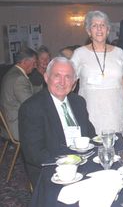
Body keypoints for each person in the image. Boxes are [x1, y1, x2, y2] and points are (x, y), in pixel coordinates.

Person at [18, 57, 96, 187]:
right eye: (57, 76)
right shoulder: (32, 108)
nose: (62, 82)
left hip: (83, 163)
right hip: (52, 170)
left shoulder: (78, 102)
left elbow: (91, 135)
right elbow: (34, 154)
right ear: (46, 77)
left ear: (74, 83)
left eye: (67, 77)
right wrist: (69, 163)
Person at [71, 11, 123, 134]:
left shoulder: (119, 52)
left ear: (108, 30)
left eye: (103, 25)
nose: (99, 29)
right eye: (94, 25)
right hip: (91, 113)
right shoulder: (79, 53)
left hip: (116, 112)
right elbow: (69, 82)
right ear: (89, 32)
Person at [0, 47, 37, 141]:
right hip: (16, 127)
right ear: (25, 62)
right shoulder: (19, 79)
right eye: (33, 63)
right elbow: (30, 104)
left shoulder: (11, 72)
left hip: (7, 125)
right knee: (51, 126)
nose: (35, 66)